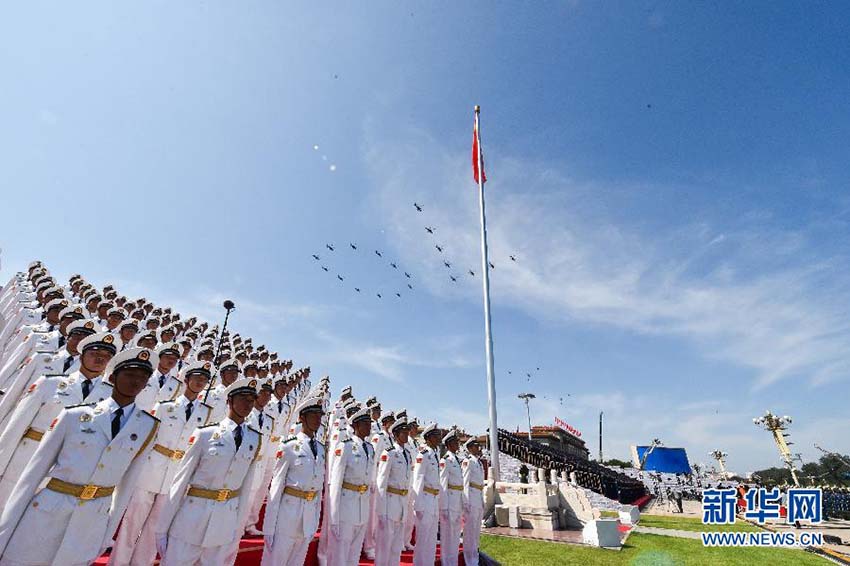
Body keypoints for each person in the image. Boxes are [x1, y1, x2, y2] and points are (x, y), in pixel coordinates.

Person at [0, 347, 160, 565]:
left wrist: (105, 534)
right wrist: (5, 530)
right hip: (50, 509)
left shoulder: (147, 427)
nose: (136, 381)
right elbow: (32, 476)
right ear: (112, 377)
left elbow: (127, 486)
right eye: (130, 374)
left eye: (143, 377)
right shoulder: (74, 416)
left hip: (91, 519)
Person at [109, 360, 214, 565]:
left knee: (156, 526)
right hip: (151, 468)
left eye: (204, 380)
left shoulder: (205, 413)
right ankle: (118, 562)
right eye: (196, 378)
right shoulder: (165, 407)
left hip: (176, 472)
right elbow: (147, 438)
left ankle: (141, 562)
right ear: (186, 380)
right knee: (132, 521)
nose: (200, 382)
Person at [0, 331, 120, 506]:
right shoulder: (49, 383)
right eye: (94, 353)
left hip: (67, 469)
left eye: (107, 356)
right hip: (27, 457)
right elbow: (16, 425)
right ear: (81, 356)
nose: (100, 359)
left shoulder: (111, 397)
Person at [155, 376, 263, 565]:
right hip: (192, 520)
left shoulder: (254, 440)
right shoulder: (205, 434)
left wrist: (236, 531)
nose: (248, 404)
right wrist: (162, 529)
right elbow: (180, 483)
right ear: (230, 400)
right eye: (243, 398)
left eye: (251, 400)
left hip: (223, 524)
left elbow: (245, 491)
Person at [262, 394, 326, 566]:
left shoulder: (321, 449)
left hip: (307, 517)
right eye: (313, 415)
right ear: (302, 418)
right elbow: (276, 487)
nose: (317, 419)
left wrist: (315, 520)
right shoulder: (289, 446)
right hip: (287, 515)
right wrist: (269, 527)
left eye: (319, 416)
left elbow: (318, 488)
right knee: (276, 561)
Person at [326, 405, 375, 566]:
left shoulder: (370, 448)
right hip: (346, 506)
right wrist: (334, 516)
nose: (369, 427)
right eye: (365, 424)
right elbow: (336, 482)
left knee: (354, 554)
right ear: (356, 426)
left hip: (362, 507)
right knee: (340, 553)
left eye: (369, 423)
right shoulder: (345, 446)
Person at [374, 418, 412, 566]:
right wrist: (381, 510)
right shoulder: (389, 453)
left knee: (396, 545)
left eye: (407, 432)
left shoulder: (407, 454)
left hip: (401, 502)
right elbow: (381, 481)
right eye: (403, 432)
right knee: (385, 544)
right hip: (390, 502)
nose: (406, 435)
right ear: (395, 435)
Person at [411, 423, 442, 566]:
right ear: (429, 438)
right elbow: (418, 480)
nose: (439, 438)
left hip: (433, 500)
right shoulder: (423, 455)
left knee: (431, 539)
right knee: (423, 539)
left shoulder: (435, 454)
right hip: (425, 499)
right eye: (436, 436)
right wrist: (418, 505)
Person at [439, 429, 464, 566]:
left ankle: (453, 561)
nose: (457, 445)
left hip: (457, 500)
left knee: (455, 535)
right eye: (455, 443)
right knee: (448, 536)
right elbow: (443, 484)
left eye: (457, 442)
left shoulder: (456, 460)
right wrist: (443, 507)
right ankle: (446, 562)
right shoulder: (446, 460)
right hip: (449, 500)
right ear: (448, 445)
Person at [461, 438, 485, 566]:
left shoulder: (478, 462)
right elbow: (465, 482)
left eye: (478, 446)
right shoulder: (468, 461)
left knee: (476, 531)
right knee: (470, 532)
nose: (478, 448)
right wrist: (465, 502)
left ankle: (475, 558)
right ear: (470, 448)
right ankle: (469, 559)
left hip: (478, 497)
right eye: (475, 446)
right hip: (471, 498)